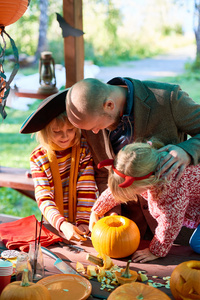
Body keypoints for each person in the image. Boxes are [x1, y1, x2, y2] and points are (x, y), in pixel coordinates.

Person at [66, 77, 200, 238]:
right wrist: (111, 213)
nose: (95, 132)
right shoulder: (91, 117)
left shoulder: (168, 98)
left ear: (109, 105)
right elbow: (103, 174)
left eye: (95, 127)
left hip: (175, 228)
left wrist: (186, 151)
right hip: (127, 229)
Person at [89, 139, 200, 262]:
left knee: (197, 244)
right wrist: (97, 211)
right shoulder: (145, 166)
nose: (131, 195)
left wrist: (156, 251)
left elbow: (170, 221)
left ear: (146, 182)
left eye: (132, 191)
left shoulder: (171, 184)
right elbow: (116, 191)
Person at [20, 90, 98, 241]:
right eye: (57, 131)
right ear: (45, 131)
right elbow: (44, 198)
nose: (65, 136)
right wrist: (62, 224)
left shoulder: (82, 149)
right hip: (55, 222)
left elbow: (86, 187)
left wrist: (83, 222)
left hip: (83, 217)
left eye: (70, 130)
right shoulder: (38, 158)